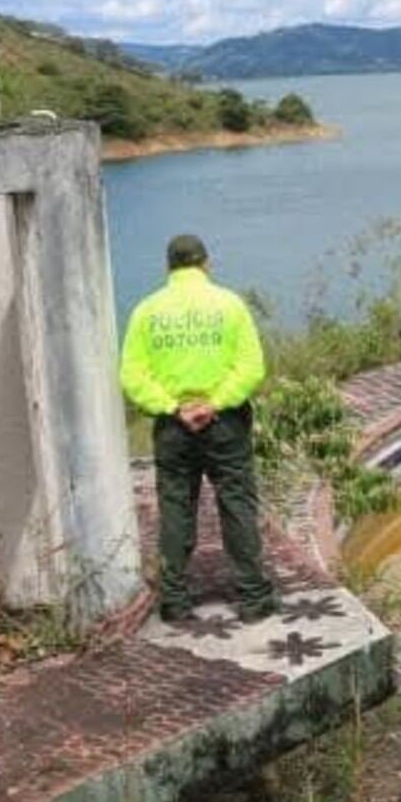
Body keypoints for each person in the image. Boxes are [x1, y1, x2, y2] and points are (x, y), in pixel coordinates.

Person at [120, 234, 279, 623]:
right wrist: (215, 402)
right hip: (226, 424)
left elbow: (132, 376)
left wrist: (173, 407)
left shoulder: (146, 311)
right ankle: (253, 597)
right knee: (236, 503)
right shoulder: (229, 305)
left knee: (176, 507)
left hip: (174, 427)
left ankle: (175, 600)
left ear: (169, 267)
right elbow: (251, 368)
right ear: (206, 264)